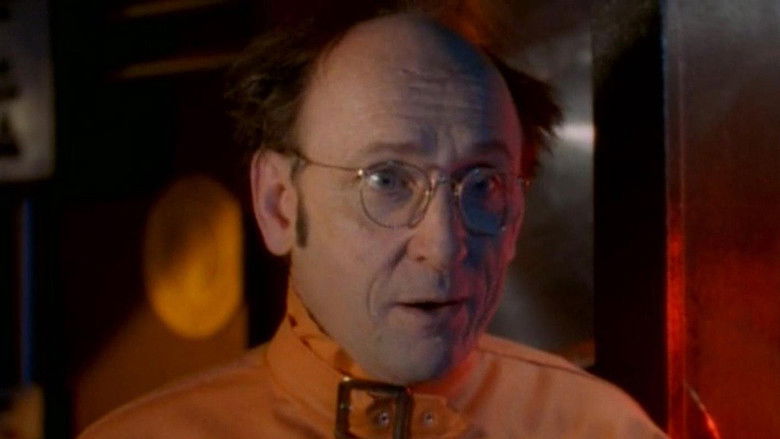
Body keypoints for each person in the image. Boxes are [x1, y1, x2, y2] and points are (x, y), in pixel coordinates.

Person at [79, 6, 668, 439]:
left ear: (515, 218)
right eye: (386, 181)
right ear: (279, 204)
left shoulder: (598, 428)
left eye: (483, 184)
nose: (444, 245)